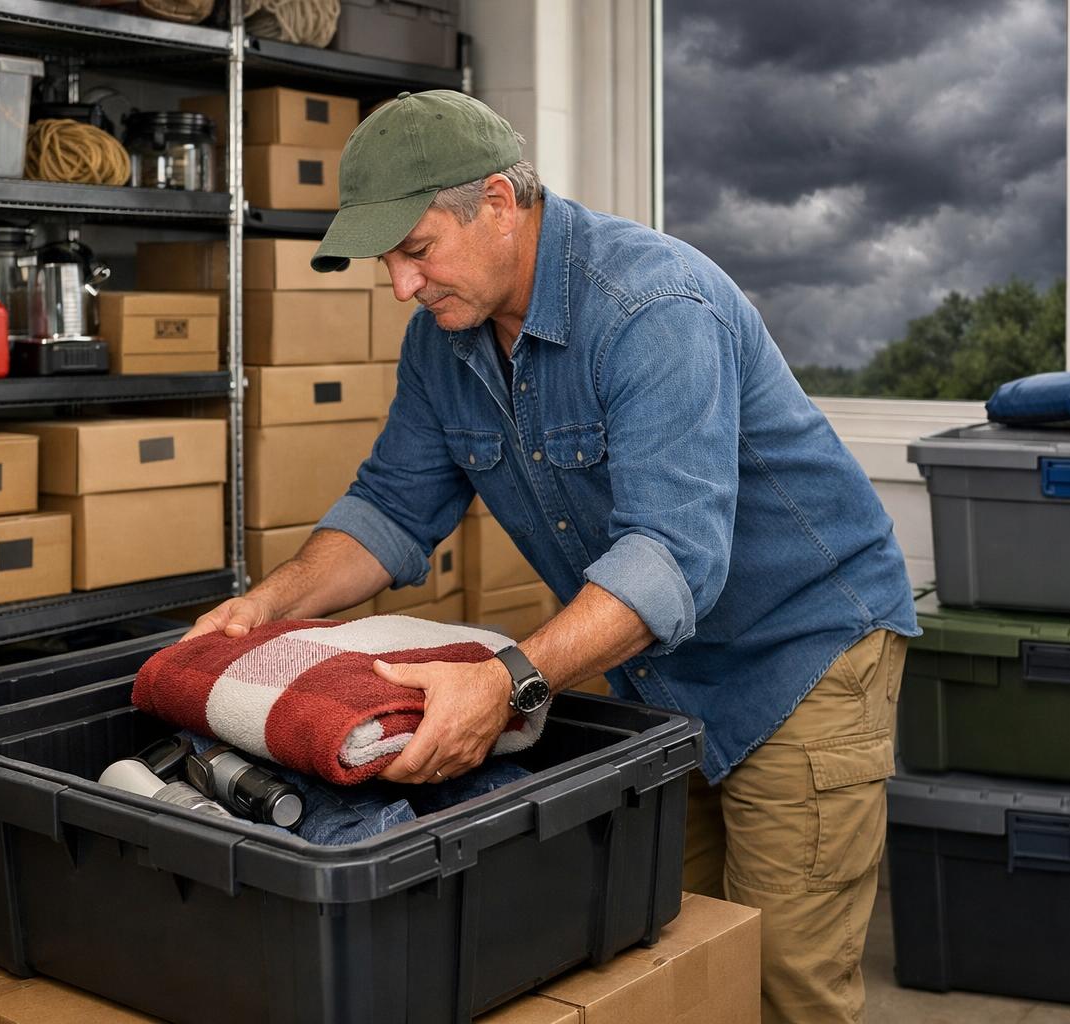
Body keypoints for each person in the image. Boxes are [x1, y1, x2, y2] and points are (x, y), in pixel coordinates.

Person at [185, 90, 918, 1024]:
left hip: (801, 652)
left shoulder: (653, 307)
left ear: (498, 203)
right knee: (670, 956)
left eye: (416, 252)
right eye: (389, 263)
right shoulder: (442, 345)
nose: (402, 287)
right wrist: (270, 605)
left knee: (780, 981)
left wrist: (508, 681)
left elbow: (672, 558)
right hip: (654, 671)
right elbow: (391, 508)